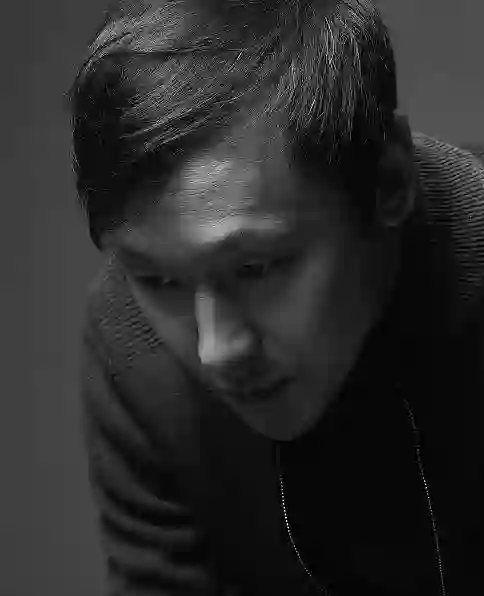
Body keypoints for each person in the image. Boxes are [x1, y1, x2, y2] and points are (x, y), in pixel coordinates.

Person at [69, 0, 484, 594]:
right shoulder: (128, 344)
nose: (217, 350)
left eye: (256, 268)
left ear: (389, 180)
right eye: (158, 281)